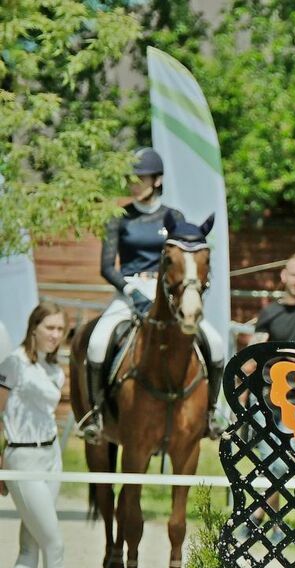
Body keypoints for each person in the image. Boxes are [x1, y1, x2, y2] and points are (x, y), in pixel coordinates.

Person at [83, 147, 226, 442]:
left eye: (141, 178)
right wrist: (130, 292)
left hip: (168, 293)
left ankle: (211, 414)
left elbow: (186, 262)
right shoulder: (119, 218)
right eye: (132, 178)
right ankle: (96, 415)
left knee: (216, 343)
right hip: (130, 290)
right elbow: (107, 267)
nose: (134, 184)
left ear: (157, 180)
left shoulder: (174, 217)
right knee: (97, 342)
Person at [1, 301, 80, 568]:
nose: (55, 335)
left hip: (51, 456)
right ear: (34, 327)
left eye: (60, 329)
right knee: (54, 542)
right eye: (49, 327)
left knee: (31, 542)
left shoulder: (53, 369)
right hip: (22, 456)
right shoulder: (12, 364)